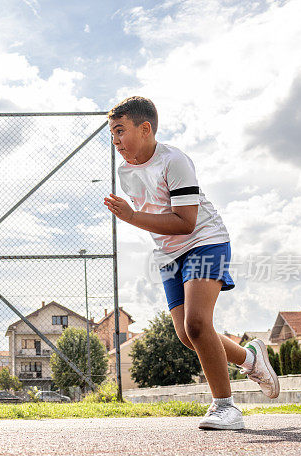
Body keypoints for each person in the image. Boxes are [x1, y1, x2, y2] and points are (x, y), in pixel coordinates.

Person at [105, 96, 279, 430]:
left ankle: (225, 407)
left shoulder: (175, 161)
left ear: (145, 129)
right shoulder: (125, 171)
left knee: (198, 324)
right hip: (169, 254)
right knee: (188, 335)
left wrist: (131, 216)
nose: (115, 141)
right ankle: (251, 359)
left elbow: (185, 221)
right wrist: (136, 217)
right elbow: (156, 219)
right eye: (112, 134)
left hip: (204, 241)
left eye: (120, 131)